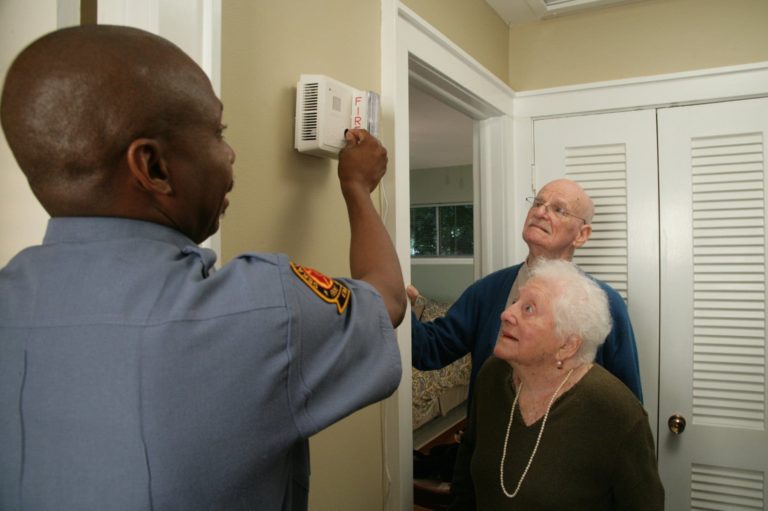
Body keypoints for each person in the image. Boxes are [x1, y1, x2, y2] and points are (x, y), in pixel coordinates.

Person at [0, 25, 405, 511]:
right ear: (152, 167)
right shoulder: (266, 310)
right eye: (218, 133)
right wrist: (357, 185)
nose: (230, 153)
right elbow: (387, 297)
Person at [449, 259, 663, 510]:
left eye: (528, 309)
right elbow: (467, 473)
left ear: (567, 345)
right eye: (515, 302)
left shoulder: (616, 412)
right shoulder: (491, 376)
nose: (506, 314)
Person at [410, 178, 643, 402]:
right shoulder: (487, 291)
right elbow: (430, 350)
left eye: (559, 210)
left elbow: (626, 403)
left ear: (581, 235)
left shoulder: (604, 304)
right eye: (538, 203)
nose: (540, 212)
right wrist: (398, 305)